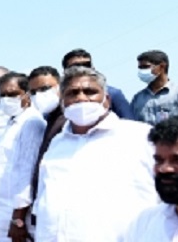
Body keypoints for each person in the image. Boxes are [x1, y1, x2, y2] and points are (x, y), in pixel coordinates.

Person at [34, 66, 158, 242]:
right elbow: (43, 201)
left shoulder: (141, 137)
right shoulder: (57, 143)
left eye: (90, 91)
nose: (81, 98)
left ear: (106, 100)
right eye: (73, 93)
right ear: (62, 102)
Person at [0, 72, 45, 242]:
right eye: (3, 95)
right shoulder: (12, 121)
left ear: (27, 94)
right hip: (2, 214)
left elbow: (26, 174)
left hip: (15, 216)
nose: (7, 99)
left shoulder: (31, 123)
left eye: (13, 94)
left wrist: (19, 219)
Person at [131, 50, 178, 125]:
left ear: (162, 66)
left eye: (146, 67)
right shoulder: (137, 99)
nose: (142, 71)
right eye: (140, 68)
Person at [27, 66, 65, 204]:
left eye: (44, 89)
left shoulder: (70, 119)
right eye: (33, 92)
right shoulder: (48, 118)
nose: (38, 95)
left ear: (60, 86)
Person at [62, 48, 134, 119]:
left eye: (86, 65)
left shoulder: (113, 93)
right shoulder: (57, 98)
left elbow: (129, 123)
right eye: (76, 66)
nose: (82, 68)